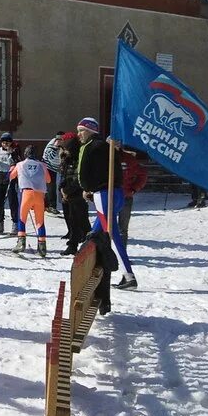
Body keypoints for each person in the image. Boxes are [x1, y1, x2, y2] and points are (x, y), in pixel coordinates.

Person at [76, 117, 136, 290]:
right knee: (94, 233)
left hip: (103, 194)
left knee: (111, 234)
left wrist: (86, 189)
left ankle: (128, 275)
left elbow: (83, 171)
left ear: (91, 131)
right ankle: (84, 265)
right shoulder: (109, 147)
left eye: (81, 130)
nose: (79, 134)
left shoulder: (88, 147)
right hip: (117, 193)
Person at [9, 145, 50, 256]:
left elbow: (11, 176)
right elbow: (48, 179)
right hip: (39, 195)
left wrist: (12, 168)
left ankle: (21, 242)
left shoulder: (20, 164)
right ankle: (42, 247)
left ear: (25, 154)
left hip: (26, 193)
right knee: (40, 221)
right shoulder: (42, 165)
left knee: (22, 218)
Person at [58, 132, 90, 255]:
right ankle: (73, 245)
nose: (64, 151)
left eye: (66, 148)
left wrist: (67, 191)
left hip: (77, 193)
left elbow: (78, 178)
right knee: (72, 220)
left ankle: (93, 244)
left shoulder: (79, 158)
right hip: (68, 193)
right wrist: (62, 188)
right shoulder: (68, 158)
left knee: (82, 221)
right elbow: (64, 175)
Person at [0, 132, 20, 235]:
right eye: (3, 142)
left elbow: (18, 162)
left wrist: (13, 153)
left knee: (12, 201)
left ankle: (15, 224)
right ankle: (0, 224)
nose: (5, 144)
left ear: (11, 142)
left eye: (7, 142)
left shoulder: (15, 151)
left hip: (11, 176)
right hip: (1, 176)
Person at [117, 145, 148, 248]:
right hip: (107, 196)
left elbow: (142, 174)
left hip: (125, 196)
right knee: (105, 227)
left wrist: (134, 188)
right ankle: (106, 255)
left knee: (122, 228)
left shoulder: (128, 158)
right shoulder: (102, 158)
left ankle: (122, 254)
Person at [42, 131, 64, 213]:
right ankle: (51, 206)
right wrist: (55, 147)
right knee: (51, 186)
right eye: (60, 139)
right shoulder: (52, 145)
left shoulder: (63, 145)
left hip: (57, 168)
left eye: (63, 139)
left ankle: (48, 205)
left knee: (52, 186)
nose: (62, 141)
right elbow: (50, 157)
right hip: (48, 167)